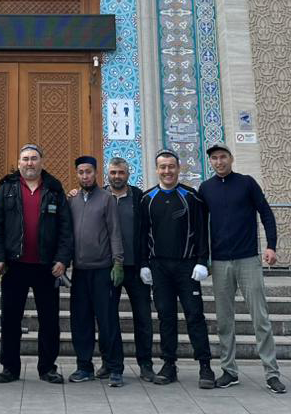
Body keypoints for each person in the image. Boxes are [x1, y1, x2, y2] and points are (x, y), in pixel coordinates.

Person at [199, 144, 287, 395]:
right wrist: (202, 259)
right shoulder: (206, 188)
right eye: (214, 158)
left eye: (223, 157)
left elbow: (266, 213)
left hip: (248, 259)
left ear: (231, 159)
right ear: (210, 162)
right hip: (220, 262)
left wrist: (271, 246)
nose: (219, 162)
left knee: (260, 319)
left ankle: (272, 373)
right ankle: (229, 370)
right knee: (224, 320)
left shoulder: (246, 183)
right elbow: (199, 224)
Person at [0, 144, 73, 384]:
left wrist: (62, 259)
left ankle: (48, 368)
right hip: (14, 266)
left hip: (46, 266)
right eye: (25, 159)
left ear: (41, 162)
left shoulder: (54, 189)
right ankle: (10, 368)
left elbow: (66, 228)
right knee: (10, 319)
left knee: (49, 320)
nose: (29, 163)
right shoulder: (7, 188)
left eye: (34, 159)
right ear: (19, 163)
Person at [140, 149, 215, 388]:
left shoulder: (191, 197)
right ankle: (169, 364)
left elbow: (202, 231)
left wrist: (203, 261)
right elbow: (142, 235)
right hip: (159, 267)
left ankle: (205, 366)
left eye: (171, 166)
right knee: (166, 317)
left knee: (195, 315)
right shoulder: (147, 199)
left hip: (187, 266)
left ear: (178, 168)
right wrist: (144, 264)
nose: (167, 171)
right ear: (156, 170)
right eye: (162, 167)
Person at [67, 155, 126, 386]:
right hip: (80, 271)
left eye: (89, 172)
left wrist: (118, 262)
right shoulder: (72, 199)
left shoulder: (106, 199)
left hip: (103, 270)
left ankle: (114, 367)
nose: (85, 176)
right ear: (77, 174)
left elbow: (114, 231)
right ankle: (84, 366)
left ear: (95, 173)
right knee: (81, 321)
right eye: (81, 172)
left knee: (107, 320)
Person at [105, 157, 154, 383]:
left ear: (128, 174)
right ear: (108, 174)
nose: (117, 176)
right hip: (108, 268)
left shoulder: (139, 197)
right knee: (108, 318)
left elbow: (148, 231)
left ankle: (145, 364)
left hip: (136, 268)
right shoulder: (100, 196)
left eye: (121, 172)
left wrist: (146, 263)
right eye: (113, 172)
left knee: (143, 317)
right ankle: (109, 363)